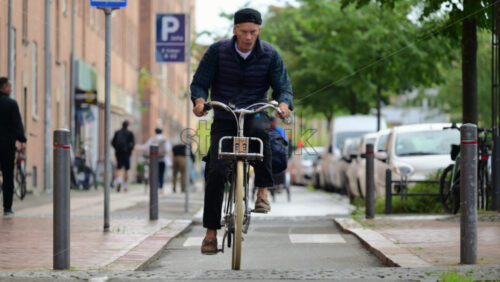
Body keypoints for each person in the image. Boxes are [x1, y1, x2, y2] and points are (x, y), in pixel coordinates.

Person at [190, 8, 293, 254]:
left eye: (253, 32)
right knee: (215, 170)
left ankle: (262, 191)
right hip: (225, 114)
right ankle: (210, 234)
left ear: (259, 31)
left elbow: (283, 86)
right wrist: (199, 101)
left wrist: (283, 104)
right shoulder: (217, 51)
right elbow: (200, 82)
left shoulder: (269, 54)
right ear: (235, 30)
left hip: (256, 111)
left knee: (261, 134)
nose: (248, 37)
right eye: (244, 32)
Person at [0, 77, 27, 216]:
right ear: (3, 88)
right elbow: (17, 124)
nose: (11, 89)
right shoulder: (11, 104)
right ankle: (7, 207)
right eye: (9, 86)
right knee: (8, 176)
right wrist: (22, 141)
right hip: (6, 146)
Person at [111, 120, 135, 192]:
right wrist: (130, 151)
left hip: (118, 153)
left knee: (119, 168)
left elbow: (112, 142)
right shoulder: (130, 133)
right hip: (126, 153)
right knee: (127, 170)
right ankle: (125, 187)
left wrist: (116, 149)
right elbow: (132, 144)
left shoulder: (117, 132)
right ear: (127, 125)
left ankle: (119, 182)